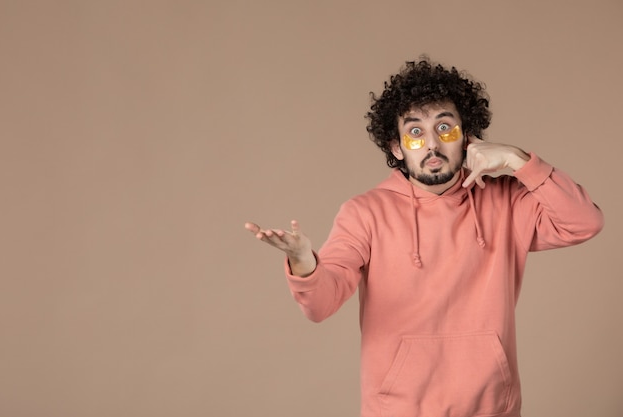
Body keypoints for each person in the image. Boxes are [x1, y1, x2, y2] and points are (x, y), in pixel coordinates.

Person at [244, 57, 604, 417]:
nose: (432, 144)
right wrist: (304, 261)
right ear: (397, 147)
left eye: (445, 128)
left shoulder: (507, 200)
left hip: (492, 406)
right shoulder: (364, 213)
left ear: (467, 136)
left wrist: (518, 159)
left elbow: (583, 221)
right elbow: (321, 305)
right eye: (415, 132)